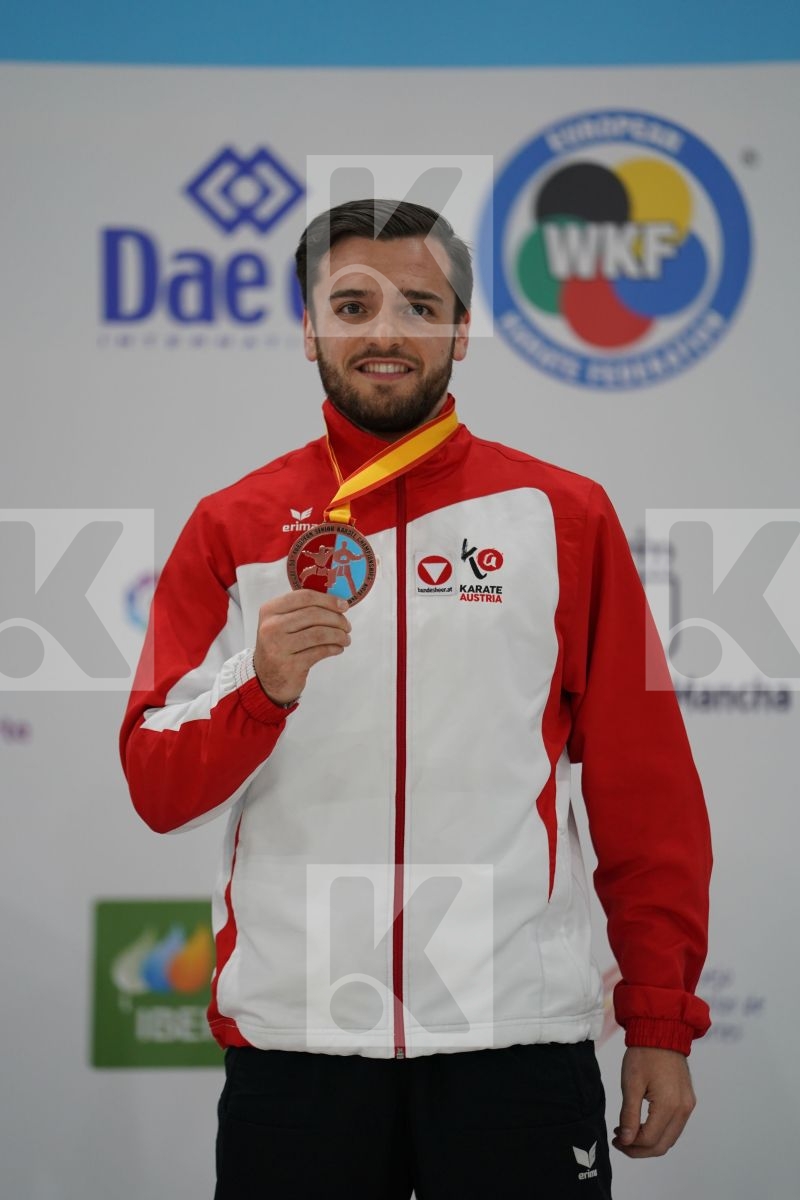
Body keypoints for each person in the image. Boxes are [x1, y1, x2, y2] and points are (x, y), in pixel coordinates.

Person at [120, 199, 712, 1199]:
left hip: (514, 1040)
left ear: (461, 332)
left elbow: (643, 791)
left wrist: (659, 1017)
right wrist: (262, 691)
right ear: (309, 329)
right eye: (352, 306)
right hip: (299, 1046)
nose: (385, 332)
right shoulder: (232, 526)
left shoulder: (560, 516)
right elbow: (156, 787)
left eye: (419, 307)